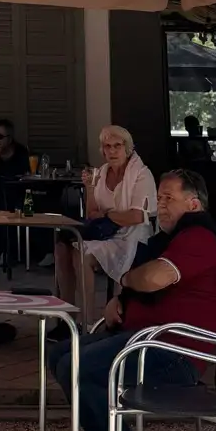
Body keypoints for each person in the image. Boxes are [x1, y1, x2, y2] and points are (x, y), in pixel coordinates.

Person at [50, 167, 216, 431]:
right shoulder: (172, 238)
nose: (161, 205)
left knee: (76, 365)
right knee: (59, 353)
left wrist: (123, 280)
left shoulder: (200, 237)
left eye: (169, 199)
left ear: (194, 205)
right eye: (159, 198)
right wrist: (121, 299)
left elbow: (153, 278)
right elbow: (144, 281)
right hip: (145, 339)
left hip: (176, 353)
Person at [54, 125, 157, 322]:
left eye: (117, 146)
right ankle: (66, 318)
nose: (112, 151)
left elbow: (137, 216)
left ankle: (86, 321)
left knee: (80, 252)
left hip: (133, 237)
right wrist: (90, 188)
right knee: (63, 248)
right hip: (105, 234)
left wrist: (108, 214)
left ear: (127, 148)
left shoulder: (142, 174)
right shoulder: (101, 172)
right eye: (107, 146)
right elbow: (92, 214)